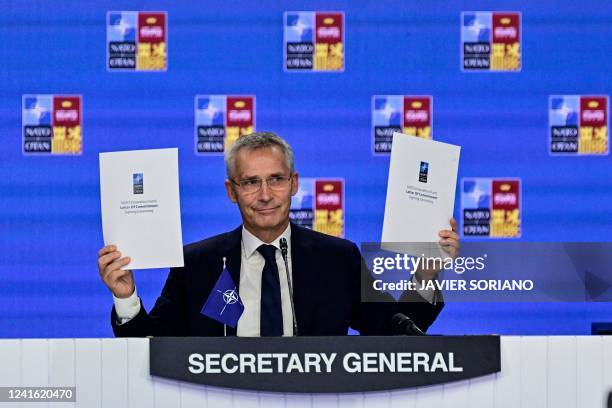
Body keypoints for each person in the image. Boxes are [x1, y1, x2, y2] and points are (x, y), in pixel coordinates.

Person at [98, 132, 459, 337]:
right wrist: (126, 297)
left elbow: (395, 335)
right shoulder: (198, 264)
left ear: (294, 184)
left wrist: (427, 272)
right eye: (251, 182)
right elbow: (152, 350)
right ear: (231, 191)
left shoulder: (337, 259)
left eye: (276, 179)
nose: (266, 195)